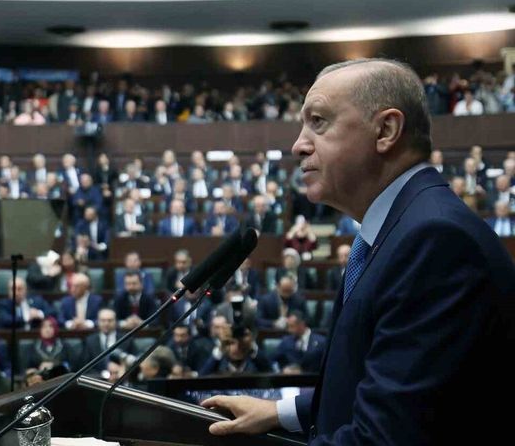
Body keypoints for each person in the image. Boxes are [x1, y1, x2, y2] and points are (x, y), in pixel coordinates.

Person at [201, 59, 515, 444]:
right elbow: (389, 382)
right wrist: (282, 411)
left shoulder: (434, 240)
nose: (298, 145)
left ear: (386, 130)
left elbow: (383, 438)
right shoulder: (402, 227)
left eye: (318, 122)